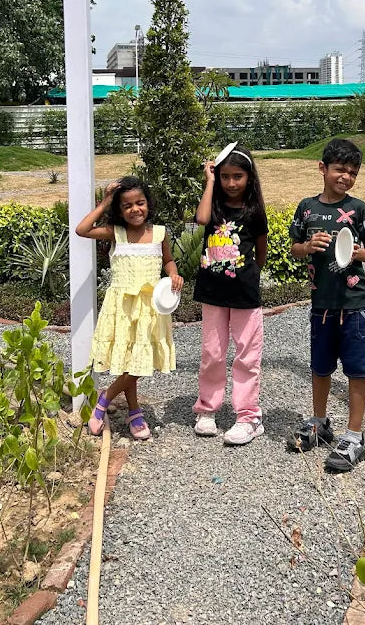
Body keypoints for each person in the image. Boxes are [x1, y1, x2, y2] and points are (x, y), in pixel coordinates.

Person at [288, 137, 365, 472]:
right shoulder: (307, 208)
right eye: (340, 169)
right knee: (320, 367)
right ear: (323, 168)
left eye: (352, 172)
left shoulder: (359, 209)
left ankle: (354, 436)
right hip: (321, 304)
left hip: (355, 305)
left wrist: (357, 253)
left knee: (357, 371)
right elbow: (294, 249)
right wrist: (308, 245)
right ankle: (319, 423)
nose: (346, 177)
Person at [76, 176, 183, 440]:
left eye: (140, 203)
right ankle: (134, 412)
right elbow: (82, 229)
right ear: (119, 209)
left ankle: (106, 397)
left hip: (149, 309)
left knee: (137, 364)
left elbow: (168, 261)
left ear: (148, 204)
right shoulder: (117, 233)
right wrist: (105, 202)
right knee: (129, 363)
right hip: (122, 307)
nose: (135, 209)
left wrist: (174, 274)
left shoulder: (159, 233)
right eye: (127, 206)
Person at [192, 144, 268, 445]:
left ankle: (248, 416)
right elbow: (200, 219)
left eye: (238, 176)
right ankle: (207, 409)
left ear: (249, 177)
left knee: (247, 355)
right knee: (212, 352)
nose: (231, 183)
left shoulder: (254, 212)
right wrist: (208, 181)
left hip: (245, 294)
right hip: (212, 293)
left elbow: (260, 254)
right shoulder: (214, 207)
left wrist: (244, 274)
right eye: (225, 176)